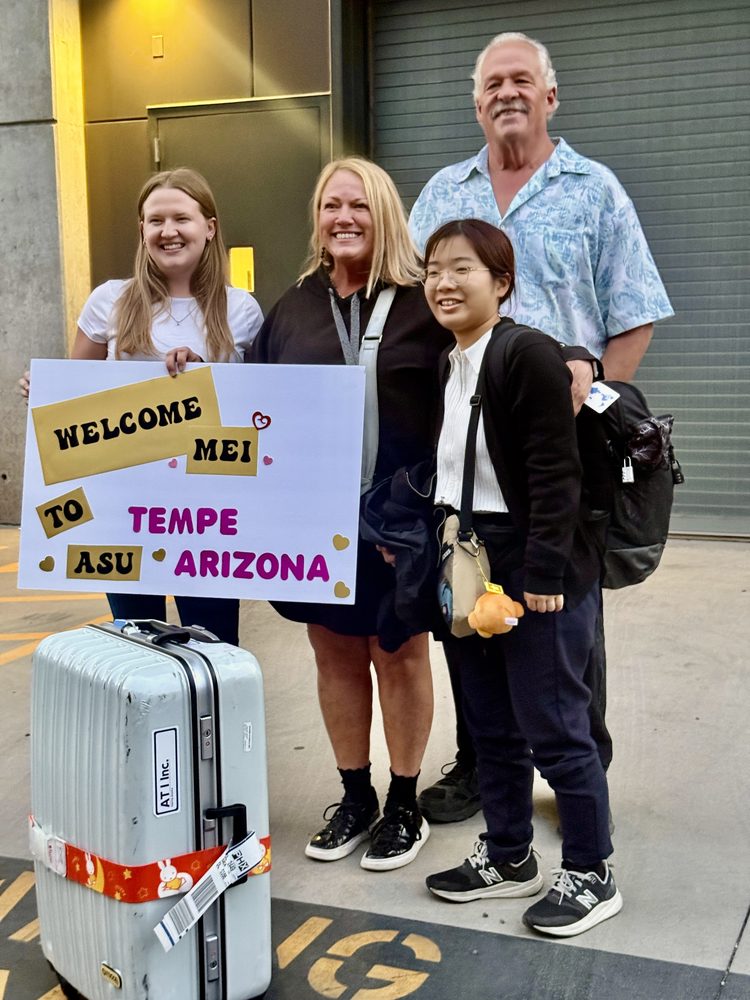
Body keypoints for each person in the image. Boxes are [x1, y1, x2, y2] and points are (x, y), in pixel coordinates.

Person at [408, 31, 674, 822]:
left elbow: (634, 313)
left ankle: (575, 761)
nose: (507, 94)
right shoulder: (442, 193)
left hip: (559, 452)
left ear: (550, 96)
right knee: (469, 596)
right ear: (476, 99)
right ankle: (483, 759)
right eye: (493, 83)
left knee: (566, 610)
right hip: (466, 450)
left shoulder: (594, 189)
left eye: (522, 81)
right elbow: (411, 291)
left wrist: (593, 401)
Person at [249, 157, 452, 870]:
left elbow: (467, 398)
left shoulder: (426, 302)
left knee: (397, 654)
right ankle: (355, 795)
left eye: (359, 206)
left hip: (399, 523)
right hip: (313, 520)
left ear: (385, 215)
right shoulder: (297, 304)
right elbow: (250, 405)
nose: (343, 218)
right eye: (332, 205)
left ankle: (404, 802)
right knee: (333, 653)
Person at [421, 217, 621, 937]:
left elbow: (553, 470)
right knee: (489, 725)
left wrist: (543, 573)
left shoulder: (525, 352)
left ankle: (592, 870)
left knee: (555, 724)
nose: (444, 281)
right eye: (434, 268)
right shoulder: (450, 358)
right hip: (465, 553)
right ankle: (508, 856)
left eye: (463, 268)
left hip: (532, 558)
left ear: (502, 283)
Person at [20, 167, 263, 644]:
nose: (168, 231)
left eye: (181, 218)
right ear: (142, 230)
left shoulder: (242, 310)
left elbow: (257, 412)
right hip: (124, 509)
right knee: (136, 643)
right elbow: (79, 394)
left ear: (209, 228)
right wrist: (50, 391)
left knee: (214, 645)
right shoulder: (109, 300)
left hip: (208, 513)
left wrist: (201, 376)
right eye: (156, 220)